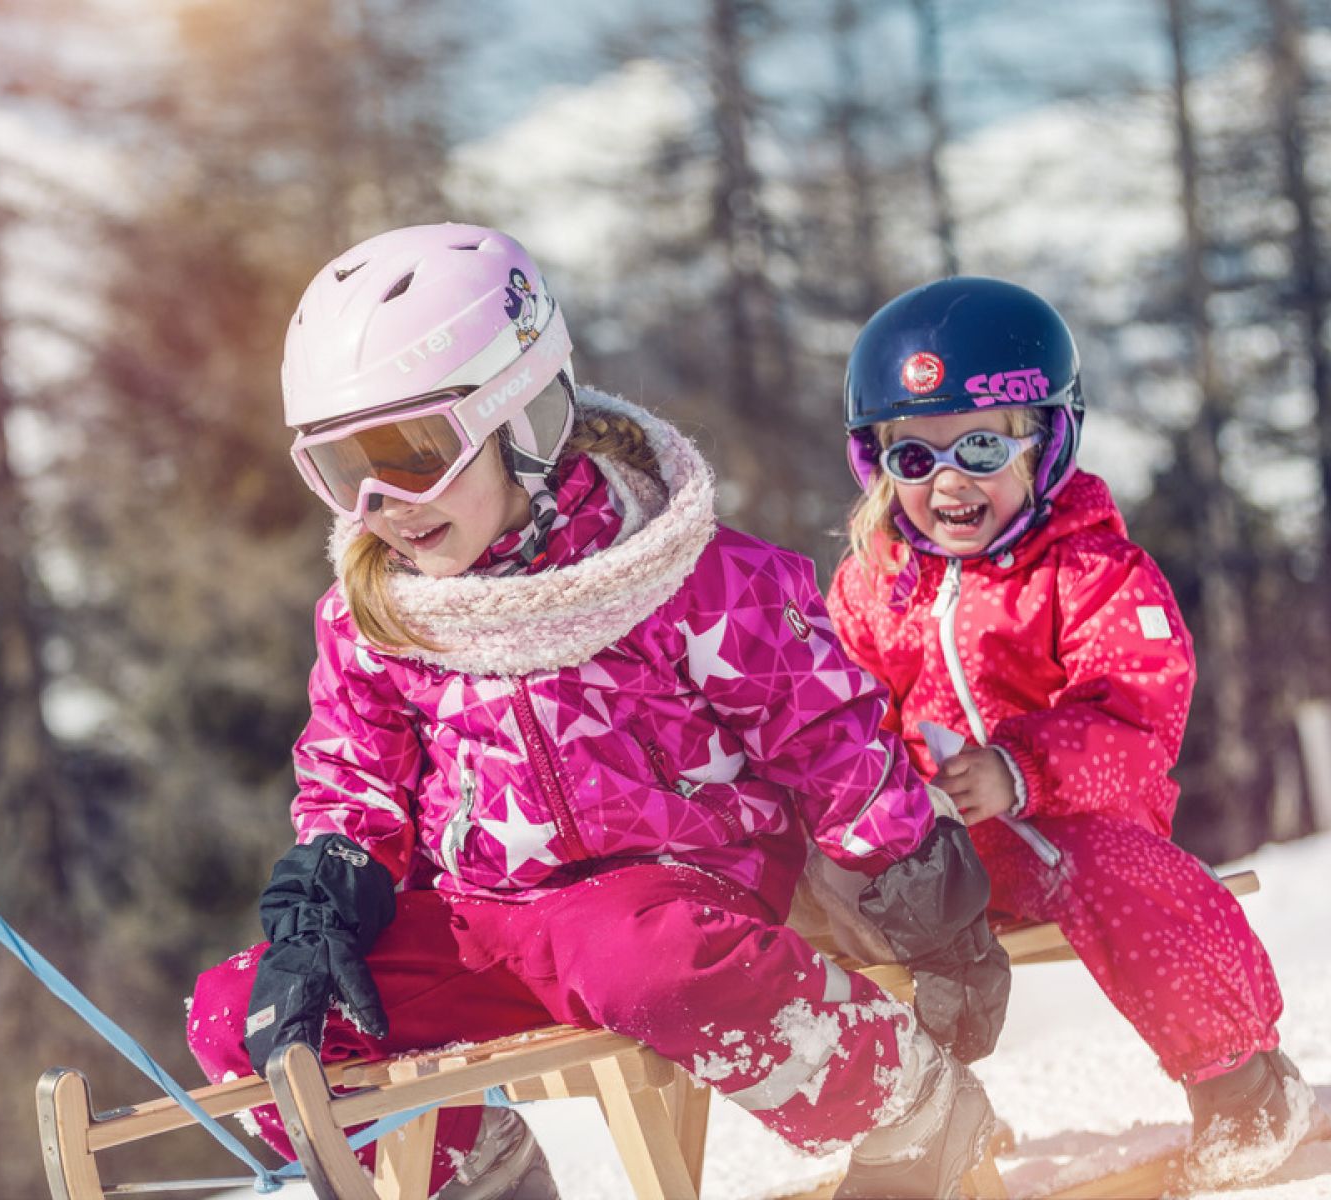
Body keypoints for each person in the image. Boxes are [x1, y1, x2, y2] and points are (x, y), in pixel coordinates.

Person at [184, 224, 1011, 1200]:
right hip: (479, 917)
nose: (381, 503)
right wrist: (320, 909)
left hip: (663, 899)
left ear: (522, 415)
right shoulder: (379, 619)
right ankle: (475, 1170)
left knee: (639, 962)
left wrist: (918, 885)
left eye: (410, 454)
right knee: (245, 1012)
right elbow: (351, 782)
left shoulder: (684, 574)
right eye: (337, 467)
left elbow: (823, 731)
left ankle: (912, 1108)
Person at [825, 275, 1325, 1189]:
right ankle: (926, 1125)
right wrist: (886, 800)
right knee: (829, 900)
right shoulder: (874, 583)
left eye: (979, 446)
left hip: (1081, 821)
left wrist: (1021, 769)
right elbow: (844, 715)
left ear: (1042, 442)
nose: (948, 482)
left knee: (1112, 876)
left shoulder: (1090, 567)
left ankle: (1245, 1087)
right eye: (915, 458)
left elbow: (1138, 708)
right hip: (943, 848)